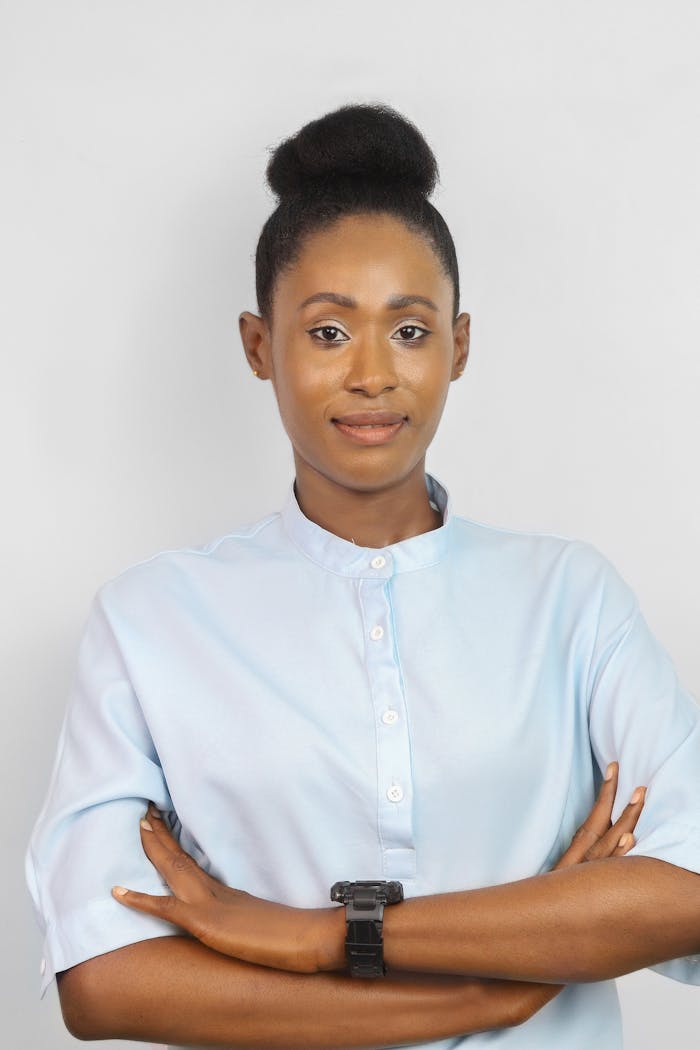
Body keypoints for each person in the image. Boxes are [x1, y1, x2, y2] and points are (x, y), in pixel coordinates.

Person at [25, 102, 700, 1049]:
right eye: (329, 333)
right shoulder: (150, 621)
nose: (373, 374)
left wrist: (327, 937)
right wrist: (483, 997)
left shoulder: (571, 600)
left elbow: (687, 892)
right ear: (259, 346)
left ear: (460, 346)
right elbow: (104, 982)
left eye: (411, 331)